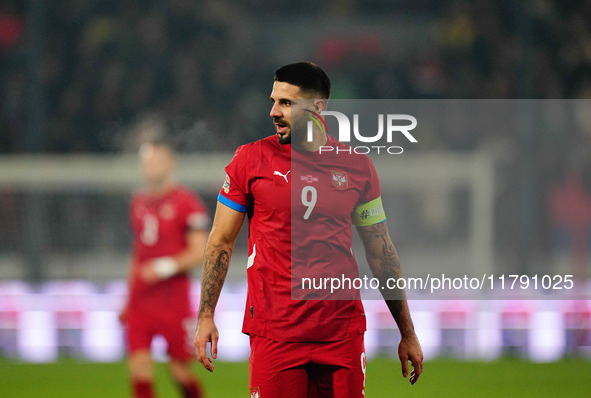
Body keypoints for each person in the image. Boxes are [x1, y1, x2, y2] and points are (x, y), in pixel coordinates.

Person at [194, 62, 423, 397]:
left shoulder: (358, 167)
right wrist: (205, 316)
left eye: (286, 103)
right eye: (273, 100)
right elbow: (221, 242)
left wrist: (407, 331)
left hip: (341, 332)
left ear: (318, 108)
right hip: (275, 333)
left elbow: (380, 250)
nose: (273, 111)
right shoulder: (250, 160)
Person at [121, 140, 209, 398]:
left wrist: (163, 267)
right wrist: (128, 297)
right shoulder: (138, 202)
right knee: (139, 369)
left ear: (170, 163)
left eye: (156, 161)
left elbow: (199, 251)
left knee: (179, 371)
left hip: (173, 300)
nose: (150, 167)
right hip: (141, 299)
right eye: (147, 162)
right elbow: (138, 252)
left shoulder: (187, 203)